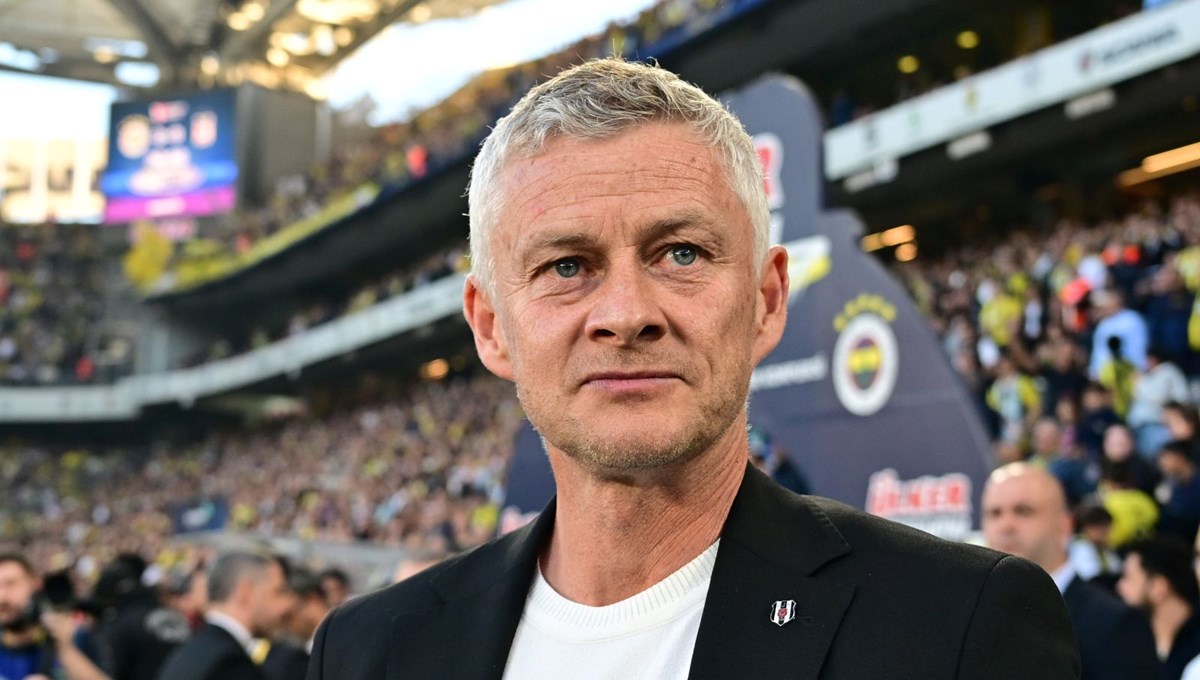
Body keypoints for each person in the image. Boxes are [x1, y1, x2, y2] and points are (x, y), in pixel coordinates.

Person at [306, 57, 1078, 679]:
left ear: (767, 301)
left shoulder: (958, 626)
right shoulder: (367, 651)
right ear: (489, 326)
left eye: (681, 253)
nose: (626, 313)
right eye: (567, 265)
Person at [981, 464, 1158, 680]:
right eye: (994, 513)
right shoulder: (971, 618)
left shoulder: (1116, 624)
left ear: (1064, 524)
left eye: (1023, 511)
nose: (1006, 525)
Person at [156, 551, 294, 680]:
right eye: (277, 592)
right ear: (245, 594)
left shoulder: (188, 652)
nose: (285, 605)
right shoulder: (230, 665)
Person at [0, 554, 109, 680]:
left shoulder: (78, 637)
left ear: (35, 584)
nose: (2, 596)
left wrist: (65, 647)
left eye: (11, 584)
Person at [1118, 538, 1200, 680]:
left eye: (1128, 577)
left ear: (1158, 587)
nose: (1120, 587)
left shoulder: (1193, 652)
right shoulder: (1133, 647)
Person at [261, 567, 330, 680]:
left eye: (290, 615)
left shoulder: (340, 642)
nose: (285, 626)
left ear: (313, 601)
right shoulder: (303, 648)